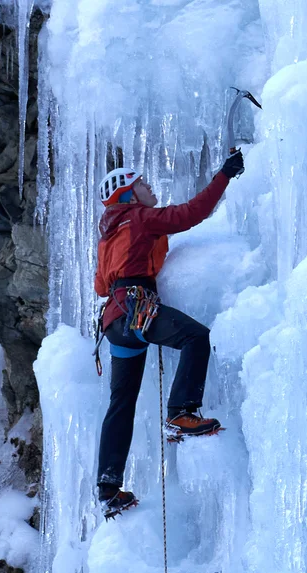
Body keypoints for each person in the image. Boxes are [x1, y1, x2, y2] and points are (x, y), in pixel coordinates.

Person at [93, 151, 245, 518]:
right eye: (141, 183)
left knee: (121, 404)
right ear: (128, 194)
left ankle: (108, 487)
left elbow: (101, 286)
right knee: (196, 337)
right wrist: (225, 174)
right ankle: (181, 412)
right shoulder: (140, 218)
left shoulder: (108, 234)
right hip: (137, 309)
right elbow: (190, 214)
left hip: (116, 324)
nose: (148, 186)